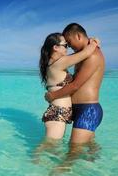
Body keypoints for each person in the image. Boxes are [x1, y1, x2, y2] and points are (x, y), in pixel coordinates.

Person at [45, 23, 105, 173]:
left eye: (70, 43)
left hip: (88, 110)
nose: (70, 47)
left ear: (78, 36)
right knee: (90, 150)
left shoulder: (93, 55)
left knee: (72, 153)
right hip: (80, 109)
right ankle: (97, 170)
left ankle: (54, 173)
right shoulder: (85, 53)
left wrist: (53, 95)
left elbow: (75, 85)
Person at [32, 32, 99, 162]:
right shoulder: (60, 63)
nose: (67, 47)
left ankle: (36, 164)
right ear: (55, 48)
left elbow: (80, 54)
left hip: (60, 112)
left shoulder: (55, 63)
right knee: (48, 146)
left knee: (50, 146)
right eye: (65, 45)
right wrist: (94, 42)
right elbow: (86, 53)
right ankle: (32, 166)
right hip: (58, 113)